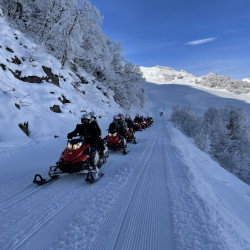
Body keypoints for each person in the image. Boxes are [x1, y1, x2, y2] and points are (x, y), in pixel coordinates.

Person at [67, 113, 101, 180]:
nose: (84, 121)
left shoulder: (93, 125)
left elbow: (98, 132)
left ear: (89, 120)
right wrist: (70, 134)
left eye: (86, 120)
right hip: (81, 141)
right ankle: (69, 162)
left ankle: (94, 165)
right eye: (83, 120)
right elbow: (75, 132)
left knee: (92, 149)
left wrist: (93, 135)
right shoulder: (80, 126)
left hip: (91, 141)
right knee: (72, 149)